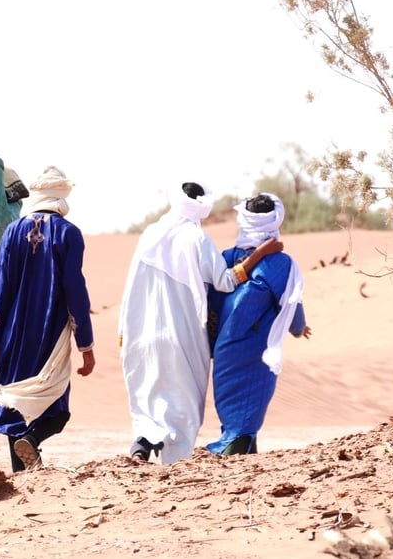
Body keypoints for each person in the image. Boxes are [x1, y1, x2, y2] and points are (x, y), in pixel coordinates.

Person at [119, 182, 283, 465]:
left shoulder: (150, 234)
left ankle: (143, 440)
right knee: (184, 402)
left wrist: (123, 328)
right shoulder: (197, 239)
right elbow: (226, 281)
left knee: (149, 392)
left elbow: (131, 282)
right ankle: (172, 465)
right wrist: (262, 254)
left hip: (141, 330)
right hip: (181, 334)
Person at [0, 166, 96, 472]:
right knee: (56, 410)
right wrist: (85, 344)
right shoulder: (69, 233)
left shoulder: (12, 231)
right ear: (62, 197)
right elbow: (75, 290)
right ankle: (32, 441)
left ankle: (23, 473)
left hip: (13, 334)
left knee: (15, 406)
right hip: (49, 334)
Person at [206, 193, 311, 456]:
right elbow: (292, 303)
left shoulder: (226, 257)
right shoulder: (279, 262)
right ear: (275, 219)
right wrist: (298, 328)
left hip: (224, 344)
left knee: (229, 395)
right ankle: (238, 444)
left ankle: (238, 443)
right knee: (251, 397)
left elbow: (213, 302)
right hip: (256, 345)